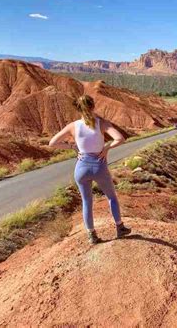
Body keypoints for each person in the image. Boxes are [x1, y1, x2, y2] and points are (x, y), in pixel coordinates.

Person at [49, 95, 131, 244]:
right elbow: (120, 138)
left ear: (78, 109)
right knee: (111, 197)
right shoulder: (101, 124)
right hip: (99, 165)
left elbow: (52, 142)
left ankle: (91, 235)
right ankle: (120, 228)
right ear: (93, 106)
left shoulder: (72, 126)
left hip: (81, 167)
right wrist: (106, 148)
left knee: (87, 201)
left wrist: (73, 147)